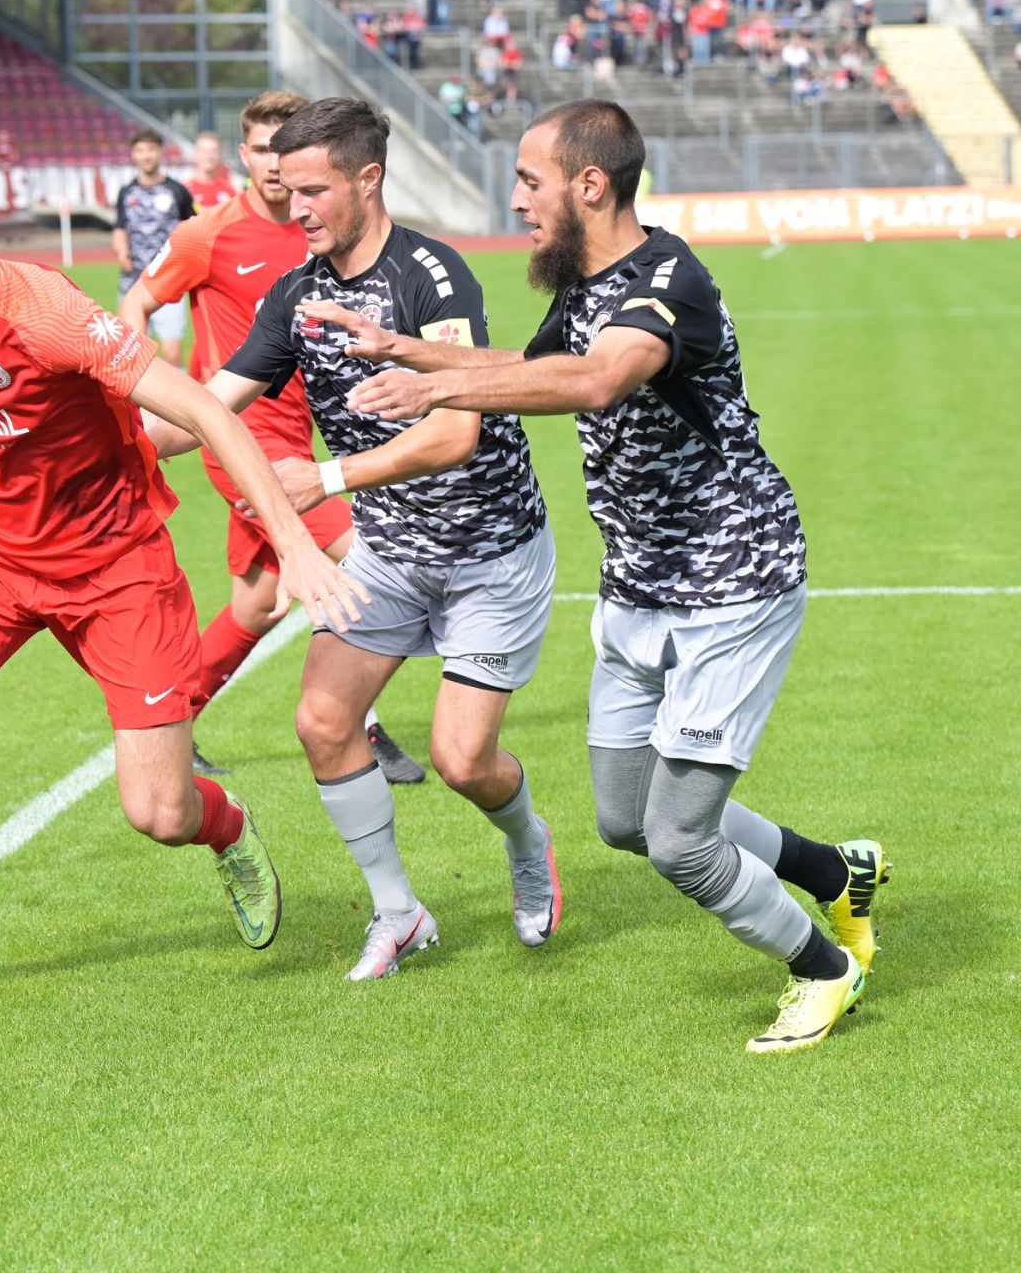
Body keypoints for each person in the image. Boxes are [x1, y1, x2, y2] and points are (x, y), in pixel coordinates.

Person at [346, 100, 889, 1051]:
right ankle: (834, 872)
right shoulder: (586, 285)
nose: (517, 201)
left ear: (589, 185)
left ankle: (823, 967)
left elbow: (596, 380)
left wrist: (436, 387)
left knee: (681, 842)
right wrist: (411, 349)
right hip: (639, 586)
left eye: (531, 182)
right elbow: (540, 364)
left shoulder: (668, 280)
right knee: (625, 818)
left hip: (731, 583)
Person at [0, 182, 368, 1012]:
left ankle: (225, 825)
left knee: (161, 813)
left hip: (116, 567)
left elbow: (208, 412)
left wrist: (294, 543)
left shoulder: (49, 317)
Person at [198, 97, 565, 980]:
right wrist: (105, 421)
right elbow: (206, 408)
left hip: (488, 551)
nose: (295, 208)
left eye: (314, 190)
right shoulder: (297, 294)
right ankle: (399, 912)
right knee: (324, 721)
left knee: (462, 761)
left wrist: (326, 479)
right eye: (287, 191)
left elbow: (456, 432)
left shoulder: (432, 275)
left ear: (369, 179)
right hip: (391, 552)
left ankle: (529, 842)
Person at [118, 91, 425, 785]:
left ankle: (172, 722)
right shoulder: (208, 236)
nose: (275, 166)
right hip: (240, 442)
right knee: (376, 565)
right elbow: (137, 300)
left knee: (256, 604)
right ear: (244, 155)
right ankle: (359, 727)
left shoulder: (322, 230)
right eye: (262, 150)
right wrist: (148, 392)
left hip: (302, 441)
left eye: (286, 151)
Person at [111, 128, 196, 368]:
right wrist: (121, 250)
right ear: (133, 155)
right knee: (133, 353)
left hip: (168, 281)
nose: (146, 155)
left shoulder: (177, 191)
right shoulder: (126, 192)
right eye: (140, 150)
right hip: (132, 283)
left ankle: (178, 393)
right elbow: (119, 227)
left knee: (172, 353)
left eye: (150, 149)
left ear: (160, 152)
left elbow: (193, 227)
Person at [184, 131, 237, 211]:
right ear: (196, 155)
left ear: (220, 155)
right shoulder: (185, 190)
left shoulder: (230, 190)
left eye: (214, 151)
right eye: (204, 151)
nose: (209, 156)